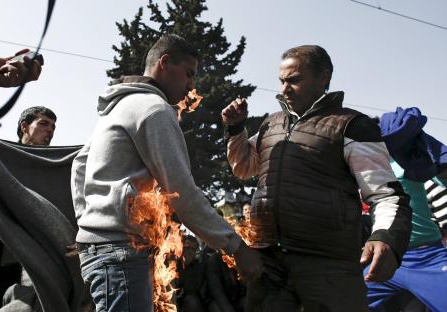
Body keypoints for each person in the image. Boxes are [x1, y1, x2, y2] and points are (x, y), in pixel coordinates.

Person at [71, 34, 263, 312]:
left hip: (100, 249)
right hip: (122, 251)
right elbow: (182, 193)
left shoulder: (119, 107)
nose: (190, 85)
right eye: (188, 74)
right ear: (165, 62)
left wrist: (88, 220)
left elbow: (79, 165)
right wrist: (237, 247)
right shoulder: (154, 110)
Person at [222, 45, 412, 311]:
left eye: (294, 80)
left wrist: (386, 238)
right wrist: (235, 129)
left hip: (329, 264)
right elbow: (244, 167)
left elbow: (386, 194)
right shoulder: (271, 124)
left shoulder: (352, 125)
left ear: (323, 77)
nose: (285, 88)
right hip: (269, 263)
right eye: (282, 81)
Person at [364, 107, 447, 312]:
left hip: (427, 256)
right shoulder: (360, 166)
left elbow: (442, 172)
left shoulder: (405, 157)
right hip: (383, 256)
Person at [0, 106, 56, 311]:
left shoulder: (49, 170)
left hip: (20, 271)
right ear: (24, 127)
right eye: (43, 124)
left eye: (53, 126)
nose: (50, 130)